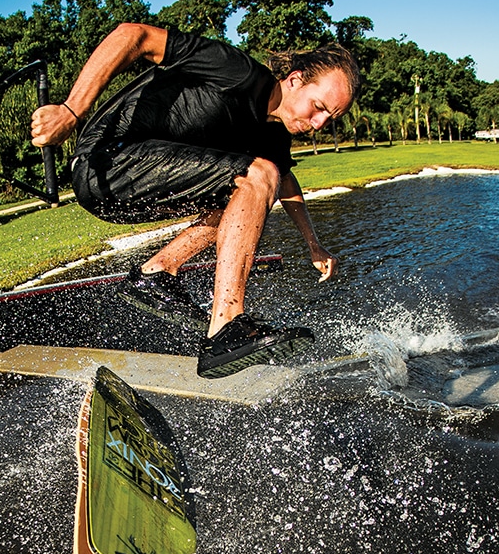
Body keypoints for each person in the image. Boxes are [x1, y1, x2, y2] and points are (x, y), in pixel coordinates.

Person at [30, 22, 359, 378]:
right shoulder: (238, 71)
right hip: (106, 162)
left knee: (250, 194)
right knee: (258, 175)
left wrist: (313, 244)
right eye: (318, 106)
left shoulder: (271, 135)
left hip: (128, 190)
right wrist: (71, 110)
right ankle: (226, 325)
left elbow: (285, 183)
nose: (319, 122)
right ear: (294, 80)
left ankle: (156, 272)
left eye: (330, 118)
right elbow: (133, 35)